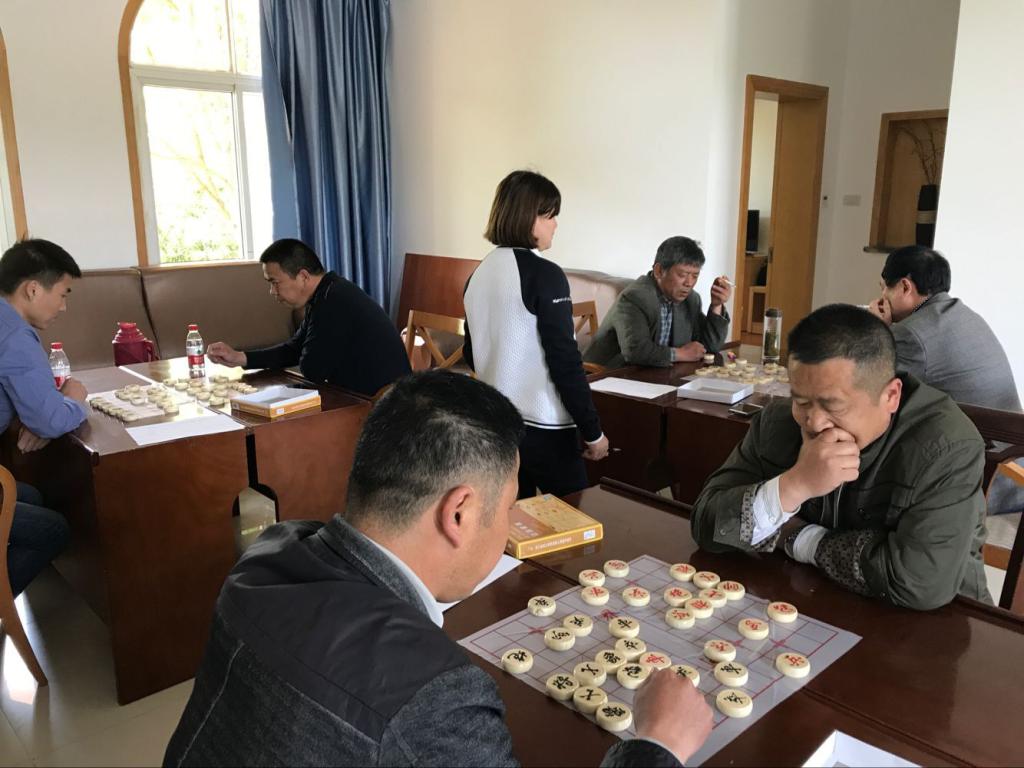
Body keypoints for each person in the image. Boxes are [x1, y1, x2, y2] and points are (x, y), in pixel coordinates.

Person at [164, 370, 711, 767]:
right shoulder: (436, 697)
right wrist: (655, 746)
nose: (508, 525)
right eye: (508, 506)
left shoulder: (266, 555)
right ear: (459, 513)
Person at [692, 304, 990, 611]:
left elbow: (920, 583)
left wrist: (796, 537)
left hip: (940, 621)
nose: (814, 422)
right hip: (808, 599)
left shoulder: (946, 448)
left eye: (833, 406)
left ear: (891, 396)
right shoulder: (777, 422)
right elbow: (707, 525)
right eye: (801, 401)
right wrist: (794, 485)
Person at [462, 170, 609, 498]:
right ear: (528, 217)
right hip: (545, 426)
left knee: (514, 519)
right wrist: (593, 431)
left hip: (496, 426)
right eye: (550, 215)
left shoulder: (478, 274)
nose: (555, 224)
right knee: (575, 518)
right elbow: (565, 361)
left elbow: (471, 352)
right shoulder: (546, 274)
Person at [207, 239, 410, 397]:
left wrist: (308, 350)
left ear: (303, 276)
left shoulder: (333, 301)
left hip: (385, 407)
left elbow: (312, 369)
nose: (272, 291)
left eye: (275, 282)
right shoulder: (327, 292)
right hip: (364, 396)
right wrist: (240, 357)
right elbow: (294, 349)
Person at [0, 239, 87, 595]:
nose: (63, 307)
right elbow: (49, 420)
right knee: (53, 529)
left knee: (30, 497)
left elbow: (41, 414)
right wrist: (73, 399)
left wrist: (43, 416)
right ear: (33, 289)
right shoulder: (15, 336)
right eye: (63, 294)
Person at [866, 245, 1019, 411]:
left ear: (905, 287)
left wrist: (877, 330)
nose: (882, 296)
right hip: (1009, 426)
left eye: (884, 288)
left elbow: (872, 387)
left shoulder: (910, 334)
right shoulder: (964, 314)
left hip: (980, 427)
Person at [583, 236, 732, 369]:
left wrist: (716, 305)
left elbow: (708, 347)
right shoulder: (635, 297)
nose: (689, 283)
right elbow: (636, 351)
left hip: (654, 374)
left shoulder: (691, 299)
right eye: (682, 274)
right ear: (659, 271)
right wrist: (680, 354)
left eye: (695, 276)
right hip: (607, 375)